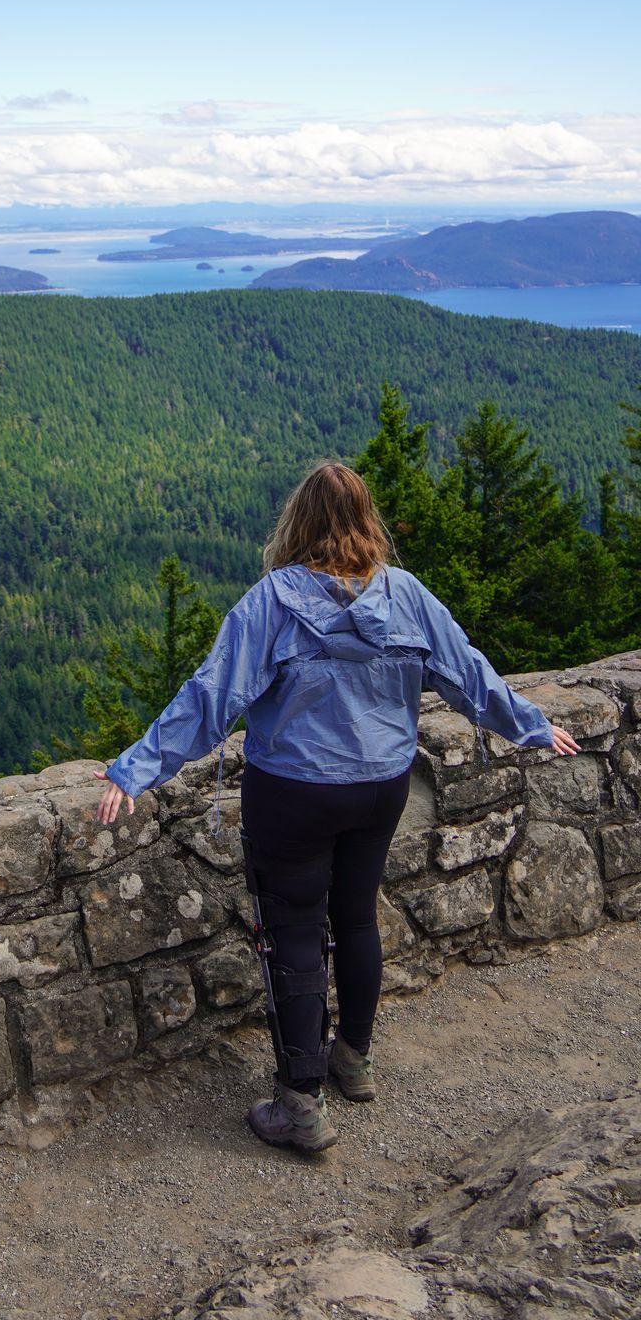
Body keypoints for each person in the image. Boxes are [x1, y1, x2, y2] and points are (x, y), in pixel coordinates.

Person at [94, 460, 580, 1156]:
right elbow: (468, 674)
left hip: (293, 791)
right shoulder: (406, 596)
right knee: (355, 916)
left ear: (299, 521)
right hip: (379, 785)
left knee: (291, 934)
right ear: (364, 521)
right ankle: (353, 1057)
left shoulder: (273, 602)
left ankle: (300, 1103)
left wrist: (134, 769)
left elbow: (211, 699)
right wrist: (531, 723)